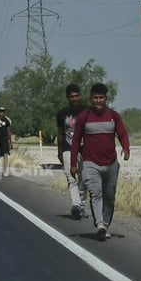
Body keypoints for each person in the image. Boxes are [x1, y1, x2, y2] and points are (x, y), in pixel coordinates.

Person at [70, 83, 130, 241]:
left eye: (101, 98)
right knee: (96, 193)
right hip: (90, 162)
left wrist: (126, 148)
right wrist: (73, 163)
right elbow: (76, 140)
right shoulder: (84, 116)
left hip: (111, 163)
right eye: (95, 98)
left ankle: (106, 224)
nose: (98, 101)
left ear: (106, 98)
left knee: (109, 196)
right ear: (91, 99)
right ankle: (100, 225)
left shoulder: (114, 116)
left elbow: (122, 133)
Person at [57, 83, 88, 220]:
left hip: (85, 149)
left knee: (85, 178)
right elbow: (60, 133)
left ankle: (81, 204)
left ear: (80, 96)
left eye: (77, 96)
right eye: (72, 96)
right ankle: (76, 205)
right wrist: (59, 151)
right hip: (68, 149)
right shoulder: (62, 113)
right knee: (72, 178)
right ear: (67, 98)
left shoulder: (88, 111)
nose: (74, 99)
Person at [0, 106, 12, 177]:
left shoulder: (7, 120)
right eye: (0, 111)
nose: (2, 113)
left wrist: (10, 142)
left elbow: (8, 131)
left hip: (5, 140)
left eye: (3, 112)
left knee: (6, 155)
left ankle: (5, 171)